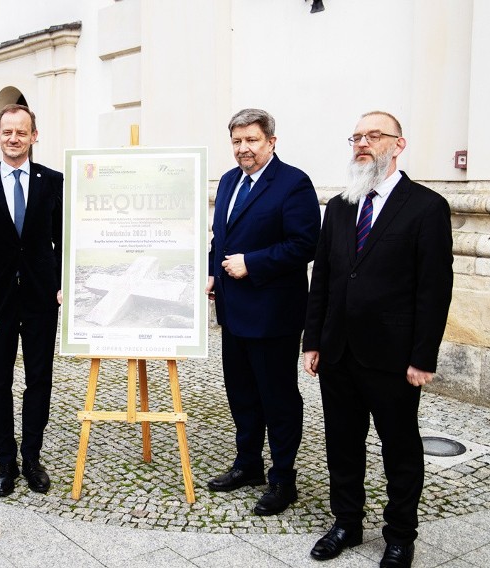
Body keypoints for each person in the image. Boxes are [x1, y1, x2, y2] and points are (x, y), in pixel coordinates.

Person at [302, 111, 453, 568]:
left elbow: (434, 289)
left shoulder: (426, 206)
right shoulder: (343, 205)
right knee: (342, 442)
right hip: (338, 351)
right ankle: (346, 522)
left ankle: (400, 535)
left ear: (398, 144)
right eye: (357, 136)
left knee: (400, 448)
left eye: (373, 136)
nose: (362, 143)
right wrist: (313, 340)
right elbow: (323, 277)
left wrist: (423, 356)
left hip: (393, 356)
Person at [205, 108, 321, 515]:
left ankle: (283, 480)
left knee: (278, 400)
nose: (243, 148)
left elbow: (304, 244)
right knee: (241, 395)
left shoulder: (293, 184)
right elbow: (219, 239)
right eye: (237, 141)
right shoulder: (228, 180)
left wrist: (251, 263)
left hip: (273, 316)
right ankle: (248, 465)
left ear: (271, 141)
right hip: (233, 313)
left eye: (252, 140)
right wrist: (211, 274)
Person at [0, 104, 63, 496]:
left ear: (34, 136)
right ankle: (5, 459)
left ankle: (32, 457)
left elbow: (65, 240)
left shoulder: (53, 181)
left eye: (22, 132)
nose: (14, 138)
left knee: (39, 380)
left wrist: (62, 284)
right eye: (7, 132)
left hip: (42, 299)